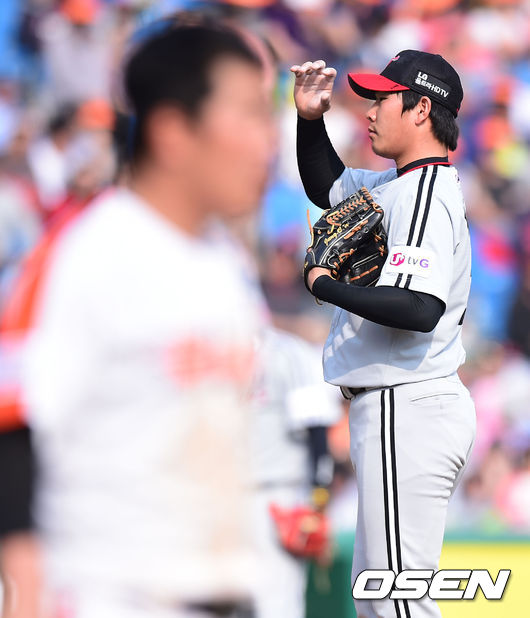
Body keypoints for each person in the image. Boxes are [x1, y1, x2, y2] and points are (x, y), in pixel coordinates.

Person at [0, 17, 274, 618]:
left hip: (221, 591)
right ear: (172, 131)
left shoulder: (226, 265)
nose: (267, 142)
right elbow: (13, 431)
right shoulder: (86, 255)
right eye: (249, 115)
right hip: (113, 594)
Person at [290, 50, 476, 618]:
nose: (369, 111)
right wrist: (309, 120)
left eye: (382, 99)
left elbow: (420, 306)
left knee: (396, 599)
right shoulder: (402, 185)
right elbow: (328, 187)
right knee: (382, 600)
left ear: (421, 110)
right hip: (399, 405)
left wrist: (326, 286)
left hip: (407, 403)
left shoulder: (426, 193)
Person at [250, 326, 340, 618]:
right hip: (225, 495)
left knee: (278, 598)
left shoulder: (286, 352)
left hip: (277, 494)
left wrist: (319, 496)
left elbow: (316, 425)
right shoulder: (217, 347)